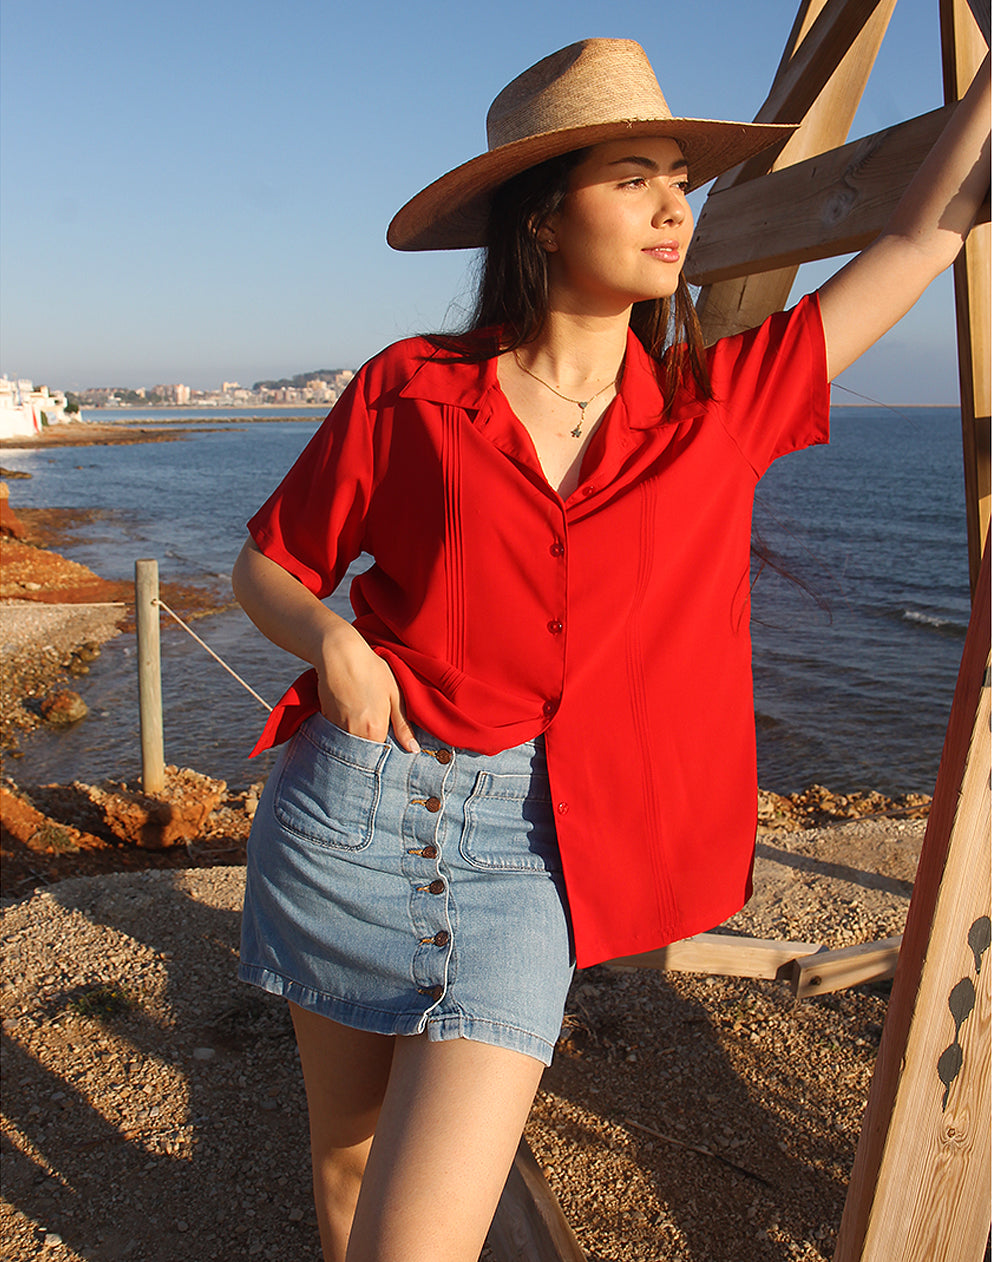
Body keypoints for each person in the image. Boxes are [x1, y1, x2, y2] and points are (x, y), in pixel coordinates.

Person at [231, 38, 990, 1262]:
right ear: (541, 217)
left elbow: (920, 238)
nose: (669, 207)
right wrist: (332, 641)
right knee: (341, 1161)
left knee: (412, 1240)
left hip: (531, 860)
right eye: (633, 177)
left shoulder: (717, 405)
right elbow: (267, 564)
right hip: (351, 813)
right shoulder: (412, 388)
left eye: (678, 179)